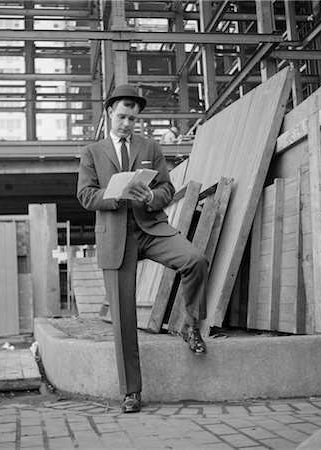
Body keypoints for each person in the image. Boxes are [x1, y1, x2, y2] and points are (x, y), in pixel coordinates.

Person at [77, 84, 208, 414]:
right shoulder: (92, 152)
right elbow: (85, 195)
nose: (126, 124)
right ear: (109, 112)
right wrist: (117, 194)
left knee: (194, 260)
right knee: (124, 318)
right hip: (115, 236)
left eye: (132, 119)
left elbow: (167, 187)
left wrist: (152, 197)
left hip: (150, 228)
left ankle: (190, 324)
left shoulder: (150, 146)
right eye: (122, 117)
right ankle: (131, 392)